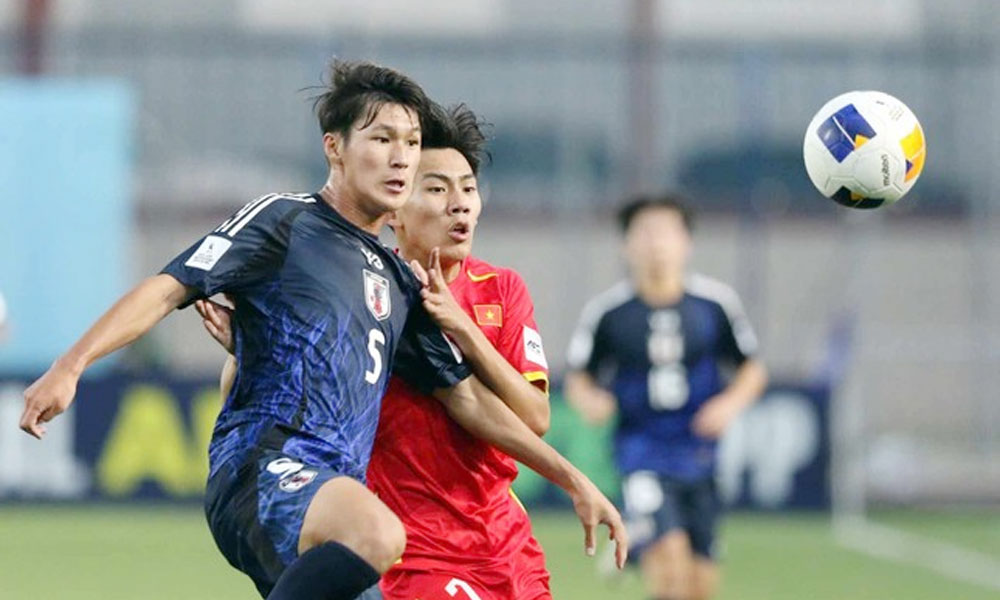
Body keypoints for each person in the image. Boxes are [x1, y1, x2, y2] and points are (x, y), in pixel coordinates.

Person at [21, 61, 624, 600]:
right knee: (380, 532)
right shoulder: (286, 221)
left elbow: (466, 400)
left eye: (412, 142)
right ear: (334, 148)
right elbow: (170, 286)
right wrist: (72, 365)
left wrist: (574, 480)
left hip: (333, 496)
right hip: (267, 467)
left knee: (371, 545)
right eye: (382, 139)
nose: (401, 157)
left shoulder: (399, 282)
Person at [199, 103, 564, 599]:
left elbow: (533, 416)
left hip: (501, 538)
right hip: (414, 544)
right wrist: (251, 348)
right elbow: (248, 392)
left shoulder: (501, 289)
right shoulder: (366, 290)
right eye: (436, 189)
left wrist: (463, 328)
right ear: (395, 210)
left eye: (468, 189)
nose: (459, 204)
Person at [564, 195, 768, 600]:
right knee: (671, 568)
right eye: (645, 232)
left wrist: (727, 405)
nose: (656, 242)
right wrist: (591, 401)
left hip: (701, 457)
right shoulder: (609, 312)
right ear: (626, 244)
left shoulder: (715, 304)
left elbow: (751, 369)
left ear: (686, 242)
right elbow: (578, 376)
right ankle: (646, 536)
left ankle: (639, 540)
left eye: (666, 232)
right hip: (641, 454)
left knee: (699, 585)